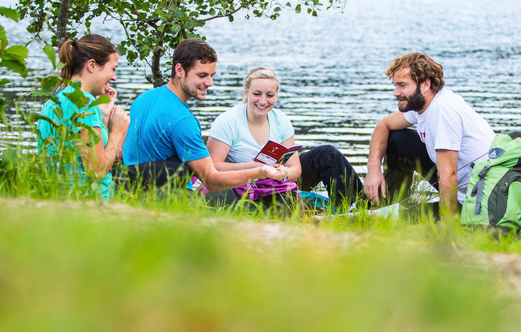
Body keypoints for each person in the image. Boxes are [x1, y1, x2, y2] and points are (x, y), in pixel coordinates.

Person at [122, 39, 286, 192]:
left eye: (211, 76)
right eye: (202, 75)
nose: (209, 83)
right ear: (179, 70)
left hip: (131, 188)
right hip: (164, 197)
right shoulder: (183, 121)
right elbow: (212, 180)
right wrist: (260, 171)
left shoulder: (143, 98)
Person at [206, 66, 363, 208]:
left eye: (269, 95)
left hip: (275, 181)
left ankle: (355, 206)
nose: (263, 101)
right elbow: (212, 167)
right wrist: (253, 167)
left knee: (328, 154)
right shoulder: (227, 121)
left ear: (276, 95)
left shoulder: (281, 120)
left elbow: (296, 168)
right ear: (246, 93)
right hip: (242, 184)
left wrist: (284, 173)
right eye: (256, 94)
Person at [364, 52, 495, 215]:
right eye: (395, 85)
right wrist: (373, 169)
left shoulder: (442, 109)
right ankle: (388, 203)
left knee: (399, 218)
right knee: (397, 138)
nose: (395, 93)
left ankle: (389, 213)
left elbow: (449, 175)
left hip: (475, 200)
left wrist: (448, 226)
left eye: (402, 85)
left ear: (425, 85)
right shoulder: (422, 104)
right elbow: (384, 125)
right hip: (457, 181)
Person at [37, 34, 130, 199]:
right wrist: (117, 131)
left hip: (57, 196)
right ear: (92, 65)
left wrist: (102, 116)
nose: (114, 77)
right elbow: (97, 170)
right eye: (113, 69)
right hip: (87, 202)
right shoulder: (82, 101)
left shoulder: (55, 99)